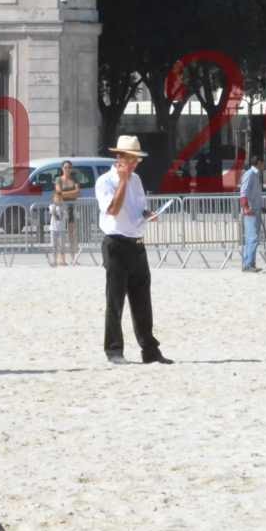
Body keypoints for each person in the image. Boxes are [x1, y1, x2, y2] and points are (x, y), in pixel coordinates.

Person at [94, 136, 172, 365]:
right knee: (115, 300)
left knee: (143, 302)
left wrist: (149, 214)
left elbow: (139, 208)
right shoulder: (105, 181)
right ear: (120, 158)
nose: (136, 164)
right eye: (132, 159)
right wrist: (123, 181)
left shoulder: (137, 180)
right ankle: (114, 350)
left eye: (137, 160)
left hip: (137, 244)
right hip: (116, 244)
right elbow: (113, 210)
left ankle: (150, 350)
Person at [51, 161, 81, 268]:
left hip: (72, 208)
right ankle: (61, 259)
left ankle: (74, 257)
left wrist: (63, 194)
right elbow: (58, 191)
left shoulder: (74, 179)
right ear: (62, 168)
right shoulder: (59, 179)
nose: (67, 169)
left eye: (69, 167)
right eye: (65, 167)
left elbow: (78, 192)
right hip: (62, 208)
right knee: (61, 235)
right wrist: (70, 193)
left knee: (72, 234)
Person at [239, 153, 263, 272]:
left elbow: (254, 193)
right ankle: (248, 264)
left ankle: (250, 263)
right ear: (259, 163)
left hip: (256, 209)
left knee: (252, 238)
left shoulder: (255, 174)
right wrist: (246, 207)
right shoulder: (250, 174)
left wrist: (261, 206)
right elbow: (244, 191)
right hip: (250, 211)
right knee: (252, 238)